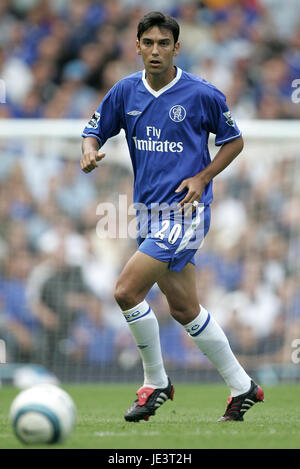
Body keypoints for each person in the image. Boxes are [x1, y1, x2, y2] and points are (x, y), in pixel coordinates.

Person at [80, 11, 264, 422]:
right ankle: (242, 385)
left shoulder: (201, 93)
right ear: (138, 46)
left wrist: (202, 177)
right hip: (147, 212)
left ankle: (155, 381)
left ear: (177, 48)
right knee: (185, 309)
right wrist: (89, 150)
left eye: (164, 43)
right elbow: (94, 130)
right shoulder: (125, 91)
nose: (156, 50)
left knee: (126, 291)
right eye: (149, 43)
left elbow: (234, 142)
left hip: (185, 212)